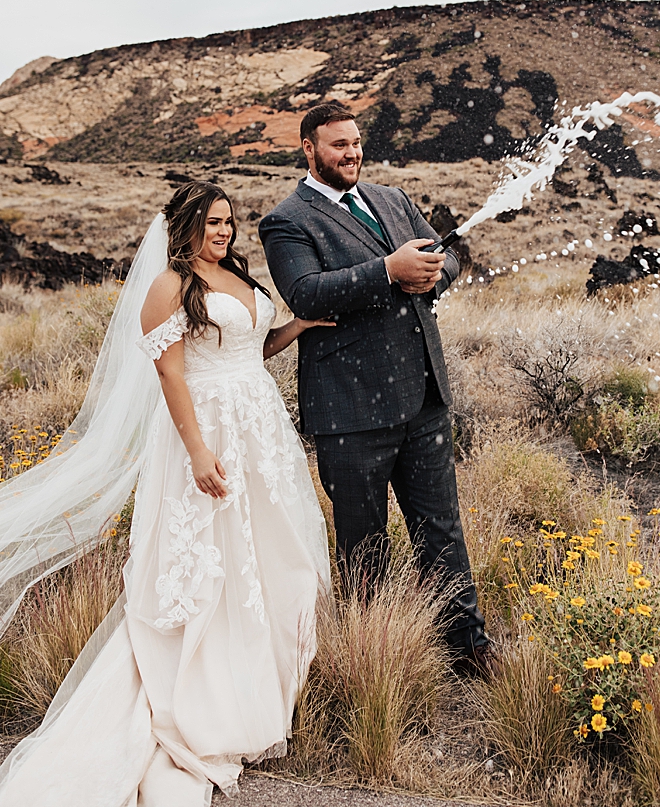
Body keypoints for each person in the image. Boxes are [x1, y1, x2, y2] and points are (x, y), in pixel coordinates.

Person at [0, 182, 333, 804]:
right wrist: (199, 450)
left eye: (229, 222)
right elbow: (171, 371)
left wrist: (298, 325)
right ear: (184, 227)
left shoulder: (235, 274)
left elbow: (250, 349)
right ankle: (198, 697)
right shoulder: (170, 288)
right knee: (213, 566)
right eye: (211, 223)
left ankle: (260, 685)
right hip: (206, 432)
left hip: (259, 431)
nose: (224, 232)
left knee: (267, 557)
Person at [258, 101, 491, 675]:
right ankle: (375, 658)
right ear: (309, 149)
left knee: (441, 527)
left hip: (424, 397)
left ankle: (468, 646)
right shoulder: (287, 221)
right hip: (350, 409)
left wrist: (434, 272)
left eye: (356, 142)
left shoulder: (391, 198)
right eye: (339, 145)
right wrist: (389, 271)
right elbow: (306, 294)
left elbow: (448, 253)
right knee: (363, 542)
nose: (352, 153)